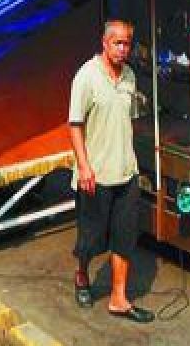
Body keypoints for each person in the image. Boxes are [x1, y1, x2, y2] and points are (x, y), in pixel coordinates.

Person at [68, 19, 153, 324]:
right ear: (104, 43)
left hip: (125, 171)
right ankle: (81, 275)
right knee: (90, 238)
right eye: (117, 43)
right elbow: (75, 125)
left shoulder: (129, 77)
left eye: (127, 43)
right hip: (95, 174)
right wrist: (84, 166)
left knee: (125, 236)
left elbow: (127, 120)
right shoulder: (86, 77)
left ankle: (119, 298)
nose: (122, 49)